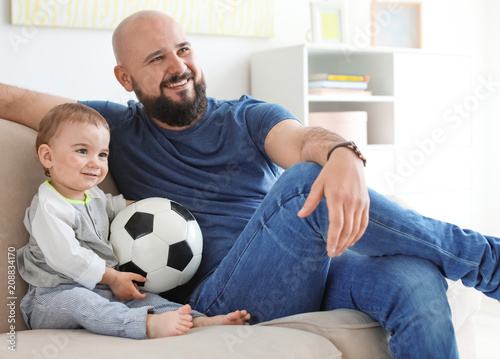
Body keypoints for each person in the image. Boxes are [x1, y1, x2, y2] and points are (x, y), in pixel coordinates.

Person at [2, 10, 499, 358]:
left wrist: (342, 153)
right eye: (156, 59)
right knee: (306, 183)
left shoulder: (249, 116)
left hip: (313, 267)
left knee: (415, 276)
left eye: (183, 49)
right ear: (125, 78)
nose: (178, 67)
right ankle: (485, 260)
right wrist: (327, 163)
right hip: (224, 295)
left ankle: (477, 262)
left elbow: (302, 140)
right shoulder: (111, 127)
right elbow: (16, 98)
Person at [17, 102, 250, 340]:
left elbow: (112, 205)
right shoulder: (49, 207)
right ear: (48, 156)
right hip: (53, 296)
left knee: (146, 298)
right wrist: (114, 277)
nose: (95, 163)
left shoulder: (92, 194)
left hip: (100, 289)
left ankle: (199, 320)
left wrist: (148, 209)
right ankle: (146, 325)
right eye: (82, 151)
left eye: (102, 154)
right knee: (82, 302)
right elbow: (68, 258)